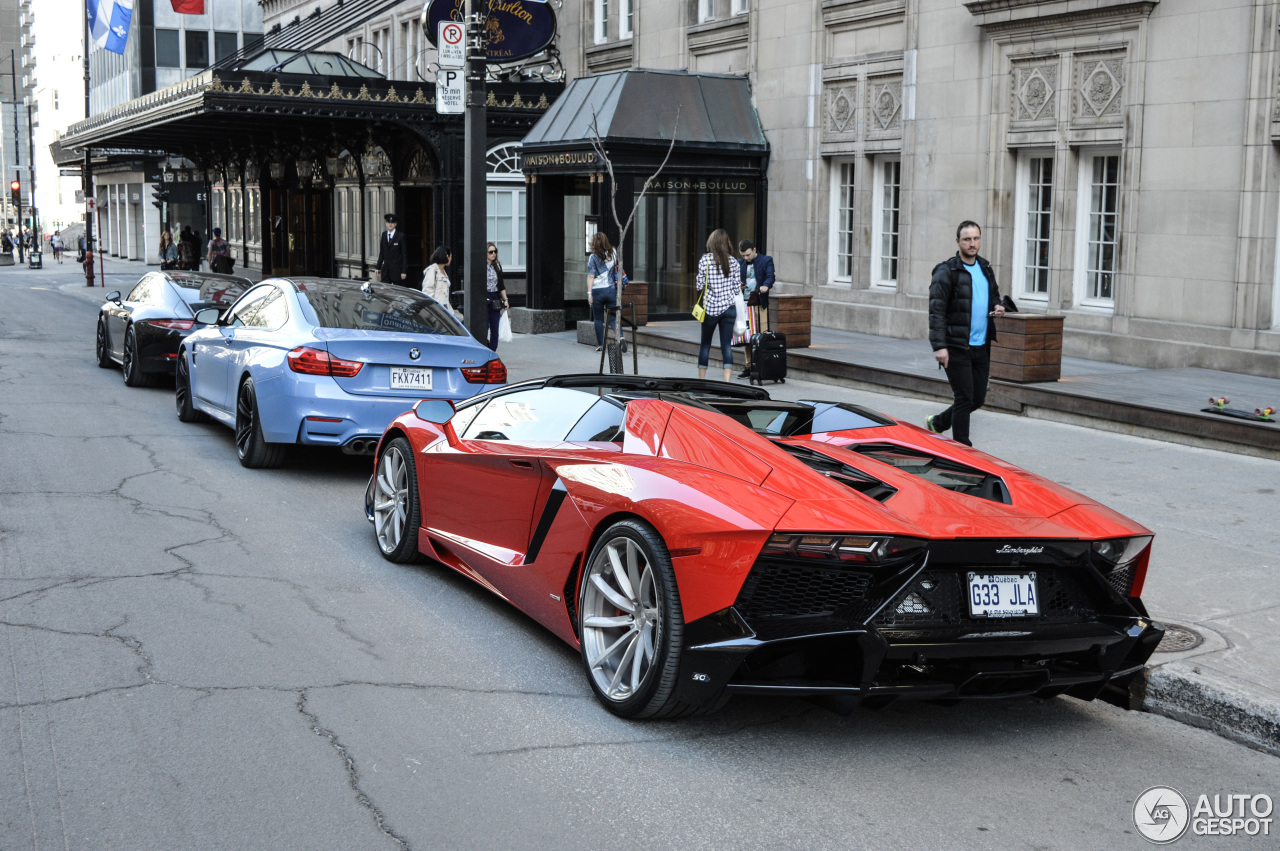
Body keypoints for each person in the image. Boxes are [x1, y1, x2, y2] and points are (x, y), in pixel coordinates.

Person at [926, 220, 1006, 447]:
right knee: (964, 398)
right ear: (958, 242)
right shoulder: (946, 271)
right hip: (956, 345)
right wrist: (939, 346)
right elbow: (936, 310)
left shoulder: (985, 267)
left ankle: (938, 422)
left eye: (976, 238)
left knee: (977, 399)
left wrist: (998, 306)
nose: (972, 243)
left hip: (981, 345)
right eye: (967, 239)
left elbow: (993, 296)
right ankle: (963, 448)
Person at [695, 228, 742, 382]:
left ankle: (702, 380)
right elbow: (736, 289)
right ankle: (726, 382)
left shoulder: (705, 260)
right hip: (729, 308)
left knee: (705, 345)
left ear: (712, 243)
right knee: (726, 347)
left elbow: (699, 285)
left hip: (710, 309)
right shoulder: (733, 262)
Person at [736, 239, 776, 378]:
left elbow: (770, 276)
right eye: (743, 256)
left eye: (747, 255)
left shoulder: (766, 260)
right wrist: (738, 285)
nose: (745, 258)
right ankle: (749, 366)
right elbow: (732, 280)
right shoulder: (739, 263)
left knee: (762, 335)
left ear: (754, 250)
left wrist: (766, 285)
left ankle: (763, 366)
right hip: (744, 304)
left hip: (759, 303)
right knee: (748, 336)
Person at [586, 232, 619, 351]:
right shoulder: (614, 253)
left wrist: (589, 294)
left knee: (598, 319)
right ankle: (620, 337)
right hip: (611, 290)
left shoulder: (593, 257)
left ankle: (601, 345)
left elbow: (591, 276)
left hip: (597, 291)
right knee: (614, 317)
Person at [484, 242, 509, 351]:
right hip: (484, 297)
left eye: (495, 251)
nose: (493, 254)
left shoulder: (497, 266)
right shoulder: (481, 266)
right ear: (485, 253)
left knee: (495, 327)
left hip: (495, 297)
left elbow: (501, 285)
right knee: (485, 326)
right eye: (490, 252)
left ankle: (493, 350)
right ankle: (484, 348)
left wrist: (506, 300)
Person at [375, 213, 407, 284]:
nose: (390, 224)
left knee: (397, 291)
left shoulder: (400, 236)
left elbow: (404, 255)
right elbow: (382, 253)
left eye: (392, 223)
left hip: (397, 270)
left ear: (395, 224)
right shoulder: (384, 235)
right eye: (388, 222)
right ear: (386, 223)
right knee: (385, 290)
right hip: (386, 270)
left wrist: (404, 271)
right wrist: (378, 267)